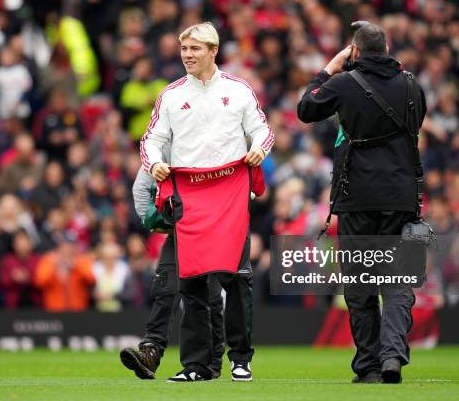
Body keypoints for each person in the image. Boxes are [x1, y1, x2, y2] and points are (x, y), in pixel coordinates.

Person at [140, 22, 274, 382]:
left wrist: (259, 149)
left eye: (195, 49)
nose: (187, 55)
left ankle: (241, 358)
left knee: (236, 278)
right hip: (190, 196)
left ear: (213, 51)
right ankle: (197, 365)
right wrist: (154, 162)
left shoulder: (239, 90)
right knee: (192, 283)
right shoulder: (170, 95)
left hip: (230, 194)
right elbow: (151, 139)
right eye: (184, 49)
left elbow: (263, 129)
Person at [297, 23, 427, 384]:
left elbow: (306, 108)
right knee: (398, 282)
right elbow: (415, 126)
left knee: (359, 283)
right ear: (386, 49)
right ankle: (393, 358)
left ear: (354, 52)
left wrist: (328, 69)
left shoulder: (343, 83)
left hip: (356, 198)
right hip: (402, 198)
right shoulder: (412, 85)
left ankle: (368, 364)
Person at [119, 159, 224, 379]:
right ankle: (152, 353)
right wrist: (158, 222)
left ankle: (209, 361)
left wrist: (157, 223)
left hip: (201, 226)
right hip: (201, 225)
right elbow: (140, 188)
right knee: (196, 292)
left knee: (176, 289)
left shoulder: (163, 144)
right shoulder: (169, 145)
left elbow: (139, 189)